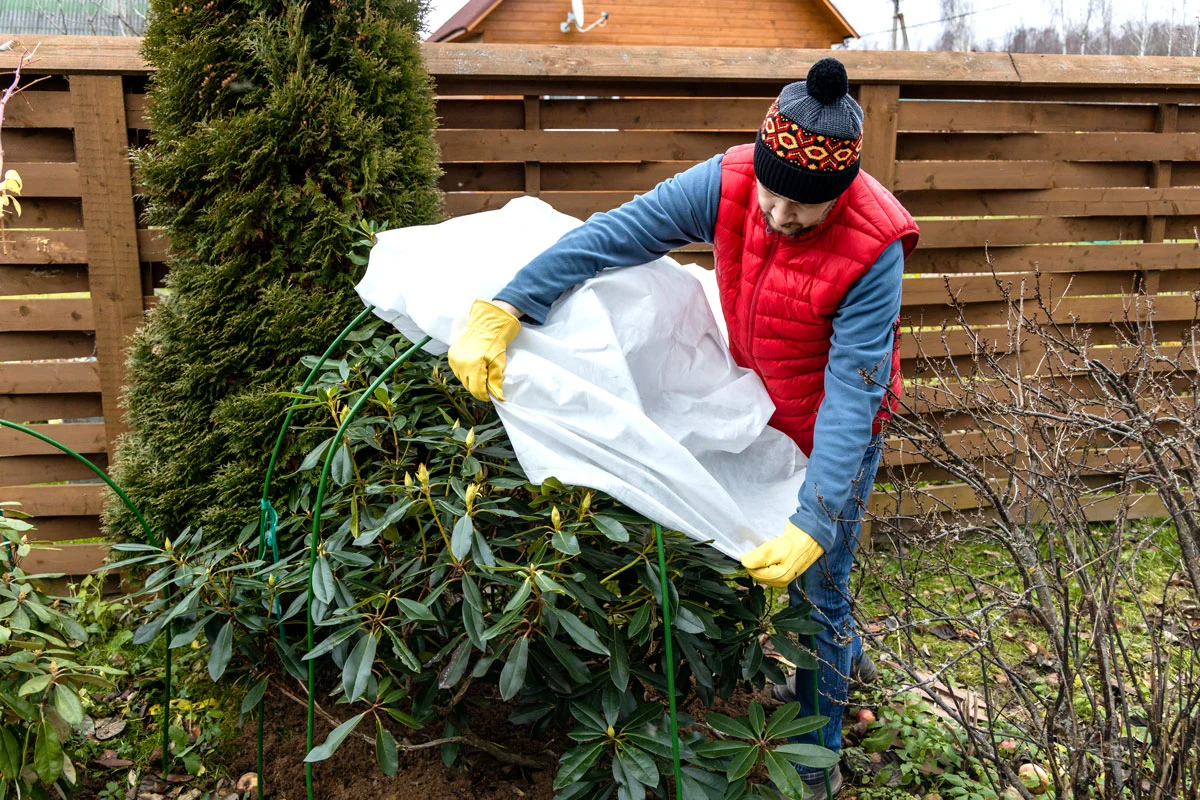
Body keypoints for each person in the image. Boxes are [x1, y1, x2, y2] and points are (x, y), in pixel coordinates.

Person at [446, 57, 918, 799]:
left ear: (843, 194)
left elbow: (852, 397)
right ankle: (848, 651)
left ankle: (816, 761)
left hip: (839, 424)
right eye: (773, 193)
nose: (781, 216)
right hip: (763, 402)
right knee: (815, 581)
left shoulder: (874, 246)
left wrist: (816, 516)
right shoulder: (729, 184)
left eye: (806, 208)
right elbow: (617, 235)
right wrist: (511, 304)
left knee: (816, 588)